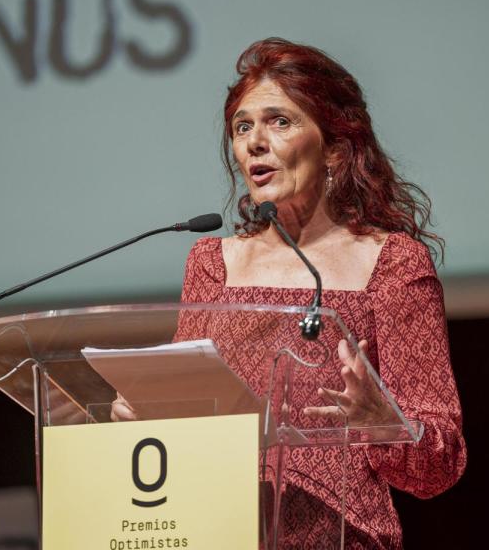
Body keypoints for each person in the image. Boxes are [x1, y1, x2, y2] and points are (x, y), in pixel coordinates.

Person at [114, 38, 466, 549]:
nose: (255, 142)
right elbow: (188, 419)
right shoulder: (212, 264)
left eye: (279, 121)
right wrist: (148, 417)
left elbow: (442, 463)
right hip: (217, 533)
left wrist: (383, 423)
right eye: (242, 127)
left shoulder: (392, 265)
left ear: (336, 148)